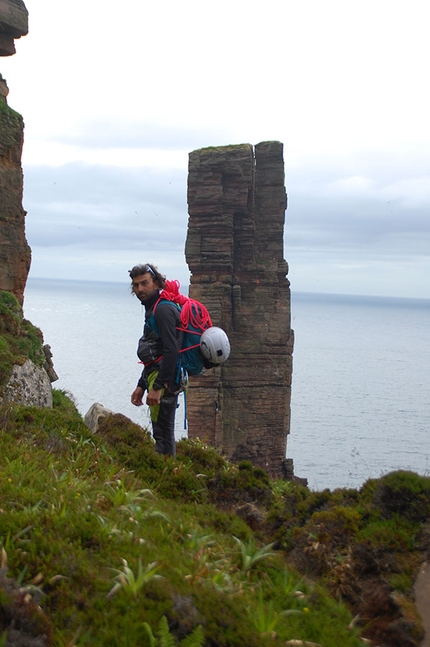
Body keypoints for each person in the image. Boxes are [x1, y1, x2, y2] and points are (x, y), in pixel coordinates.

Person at [129, 263, 181, 456]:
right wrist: (141, 385)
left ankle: (168, 479)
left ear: (157, 283)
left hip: (164, 380)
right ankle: (167, 475)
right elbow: (154, 352)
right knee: (161, 433)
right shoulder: (153, 308)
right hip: (156, 377)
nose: (140, 289)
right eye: (136, 285)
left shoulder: (162, 310)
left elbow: (171, 350)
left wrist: (157, 387)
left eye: (144, 283)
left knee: (163, 436)